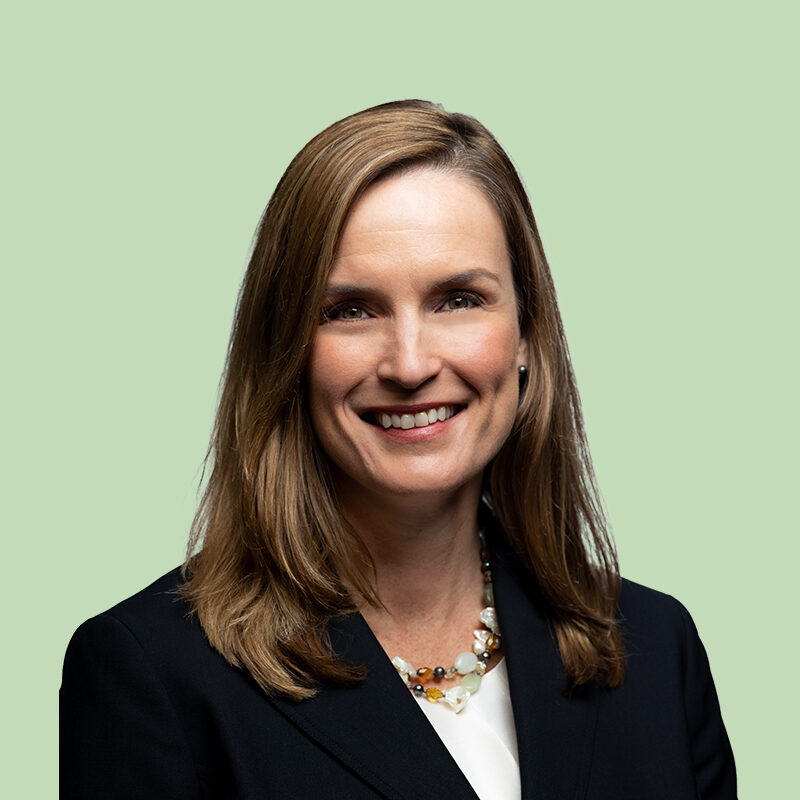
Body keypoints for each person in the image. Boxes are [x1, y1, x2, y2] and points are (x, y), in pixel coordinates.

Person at [60, 100, 737, 799]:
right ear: (285, 351)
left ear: (527, 333)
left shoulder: (656, 649)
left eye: (458, 299)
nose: (410, 364)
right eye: (350, 310)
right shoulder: (149, 674)